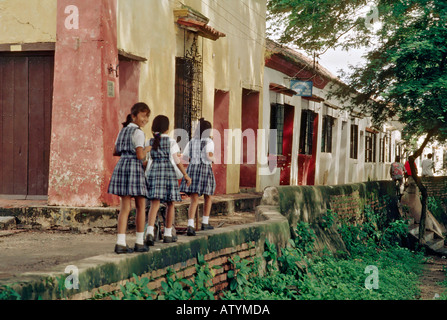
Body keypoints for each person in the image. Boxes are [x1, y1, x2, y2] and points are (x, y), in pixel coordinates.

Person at [108, 103, 152, 254]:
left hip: (122, 166)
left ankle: (120, 243)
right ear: (134, 116)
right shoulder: (139, 133)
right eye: (143, 116)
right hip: (134, 167)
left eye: (147, 116)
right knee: (140, 206)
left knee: (125, 207)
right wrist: (148, 148)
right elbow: (140, 155)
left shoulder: (123, 131)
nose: (145, 119)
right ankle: (139, 242)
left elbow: (115, 151)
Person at [145, 115, 191, 245]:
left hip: (154, 172)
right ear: (168, 128)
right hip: (168, 172)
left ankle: (149, 232)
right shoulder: (172, 142)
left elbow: (146, 160)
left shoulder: (150, 142)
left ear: (154, 128)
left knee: (154, 203)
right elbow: (177, 161)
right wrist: (185, 175)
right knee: (170, 203)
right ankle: (168, 233)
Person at [179, 118, 216, 236]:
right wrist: (214, 159)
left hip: (193, 169)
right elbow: (208, 156)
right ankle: (205, 222)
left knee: (194, 199)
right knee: (208, 196)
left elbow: (184, 157)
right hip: (205, 169)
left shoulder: (192, 141)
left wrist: (194, 157)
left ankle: (190, 225)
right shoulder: (209, 142)